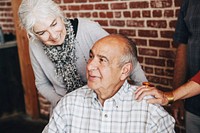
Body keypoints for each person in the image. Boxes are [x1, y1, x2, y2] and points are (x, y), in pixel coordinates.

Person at [18, 0, 147, 116]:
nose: (53, 35)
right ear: (33, 34)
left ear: (60, 15)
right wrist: (63, 104)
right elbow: (42, 84)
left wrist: (144, 90)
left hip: (103, 107)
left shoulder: (88, 28)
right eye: (42, 32)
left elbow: (125, 57)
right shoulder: (35, 46)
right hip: (64, 110)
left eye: (54, 24)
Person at [43, 34, 175, 133]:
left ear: (124, 71)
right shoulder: (69, 103)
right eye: (91, 57)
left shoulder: (149, 110)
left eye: (102, 60)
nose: (89, 67)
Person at [135, 0, 200, 132]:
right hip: (192, 103)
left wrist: (171, 95)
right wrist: (177, 97)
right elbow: (183, 44)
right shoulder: (189, 3)